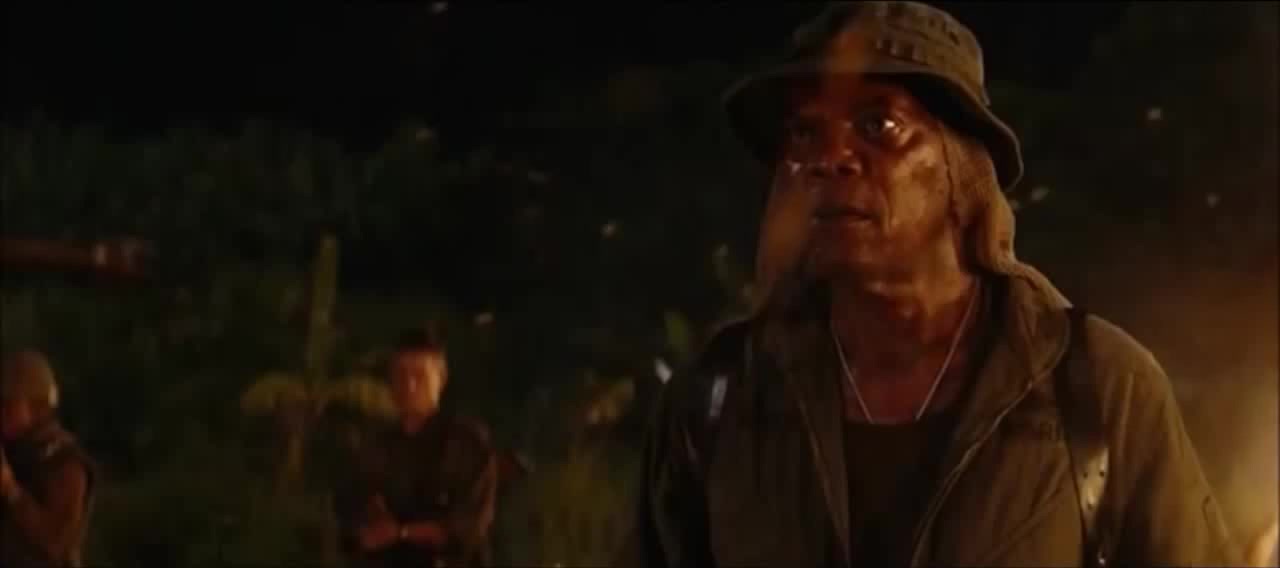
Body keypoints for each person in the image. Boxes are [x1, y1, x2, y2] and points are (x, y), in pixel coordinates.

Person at [619, 2, 1259, 567]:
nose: (829, 159)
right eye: (805, 132)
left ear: (963, 167)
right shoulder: (718, 400)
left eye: (879, 126)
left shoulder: (1095, 388)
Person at [334, 328, 499, 567]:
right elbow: (349, 511)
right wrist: (367, 522)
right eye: (400, 375)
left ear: (441, 379)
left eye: (419, 376)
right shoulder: (375, 443)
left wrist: (402, 532)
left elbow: (467, 528)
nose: (409, 386)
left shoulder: (465, 443)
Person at [0, 349, 95, 568]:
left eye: (7, 405)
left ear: (38, 407)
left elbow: (55, 543)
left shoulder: (65, 463)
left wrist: (11, 490)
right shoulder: (13, 451)